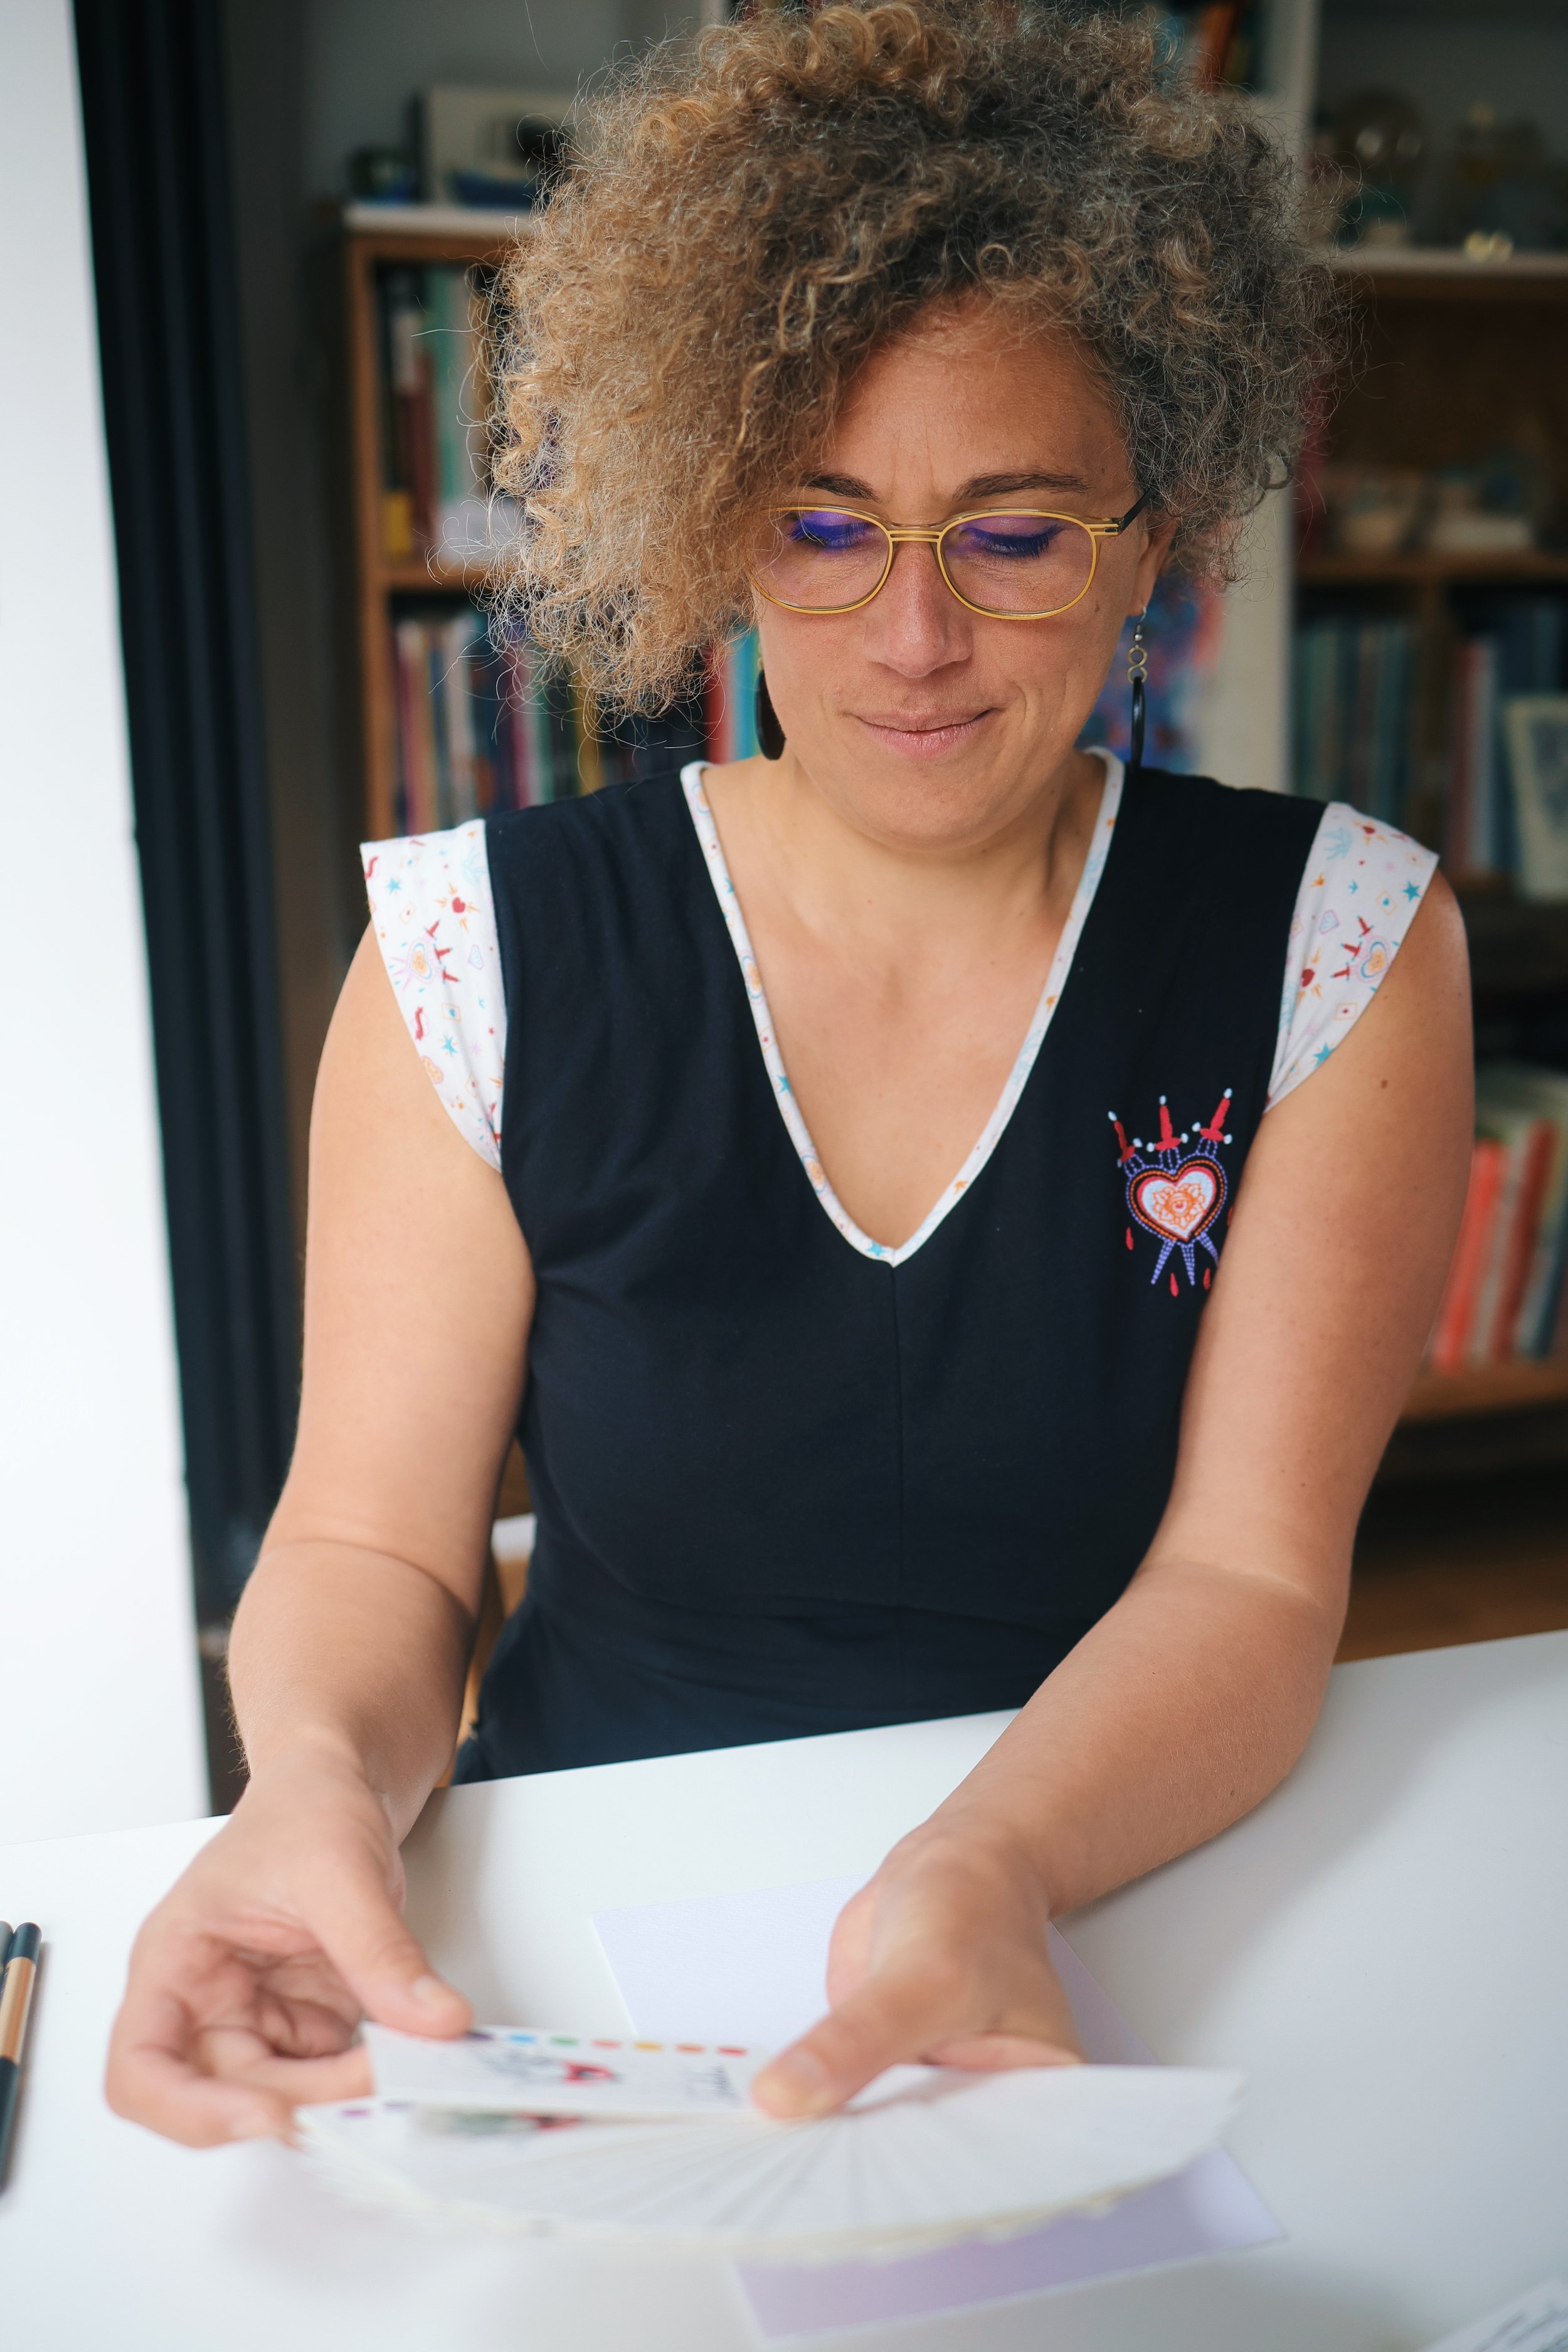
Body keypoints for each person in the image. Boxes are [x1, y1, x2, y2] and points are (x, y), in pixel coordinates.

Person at [107, 0, 1471, 2148]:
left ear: (1160, 532)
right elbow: (376, 1546)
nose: (908, 641)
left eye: (1011, 534)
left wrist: (977, 1866)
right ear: (707, 515)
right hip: (584, 1918)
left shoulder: (1338, 945)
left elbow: (1247, 1584)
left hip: (1135, 1877)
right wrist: (302, 1800)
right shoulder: (475, 957)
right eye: (821, 525)